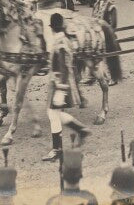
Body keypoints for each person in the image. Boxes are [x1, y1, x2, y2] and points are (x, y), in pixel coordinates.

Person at [43, 13, 90, 162]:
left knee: (52, 113)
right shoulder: (62, 40)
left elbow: (62, 68)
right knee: (53, 114)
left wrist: (60, 92)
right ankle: (80, 130)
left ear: (52, 29)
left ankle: (58, 148)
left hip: (60, 84)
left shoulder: (60, 43)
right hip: (58, 83)